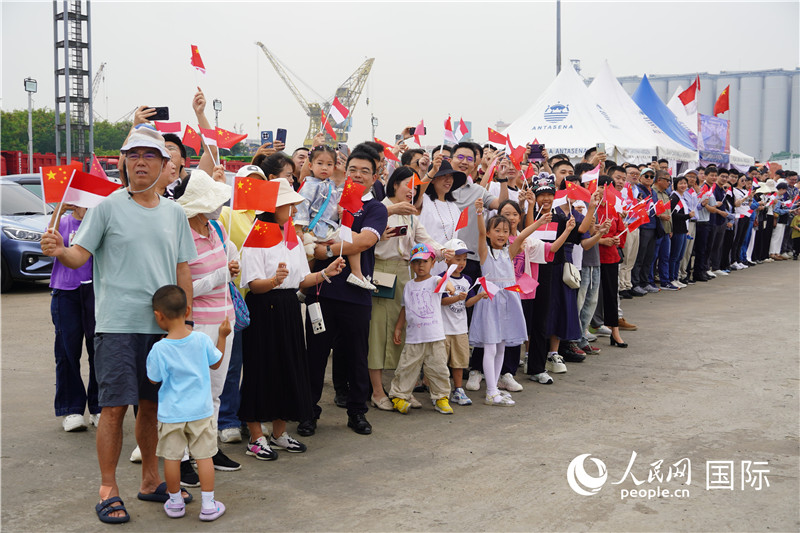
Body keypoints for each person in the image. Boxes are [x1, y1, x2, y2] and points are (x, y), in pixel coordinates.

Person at [40, 124, 197, 524]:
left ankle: (149, 481)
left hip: (161, 329)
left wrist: (185, 322)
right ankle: (108, 487)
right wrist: (59, 250)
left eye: (149, 156)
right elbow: (79, 257)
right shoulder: (108, 207)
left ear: (165, 165)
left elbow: (182, 271)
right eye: (133, 155)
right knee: (112, 408)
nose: (140, 162)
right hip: (115, 326)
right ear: (124, 163)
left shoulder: (175, 214)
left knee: (151, 407)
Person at [239, 178, 346, 458]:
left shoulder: (292, 237)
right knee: (260, 370)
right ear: (275, 206)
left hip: (288, 307)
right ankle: (255, 437)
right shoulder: (257, 235)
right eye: (290, 205)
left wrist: (326, 273)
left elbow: (300, 280)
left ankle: (278, 433)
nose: (295, 211)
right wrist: (274, 281)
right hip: (263, 308)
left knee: (288, 367)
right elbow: (253, 284)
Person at [301, 150, 389, 437]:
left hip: (356, 294)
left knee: (356, 356)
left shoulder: (375, 209)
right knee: (314, 354)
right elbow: (309, 241)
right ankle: (308, 412)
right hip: (321, 290)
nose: (358, 175)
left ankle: (357, 412)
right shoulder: (328, 200)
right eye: (353, 169)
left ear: (375, 177)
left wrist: (326, 249)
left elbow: (364, 241)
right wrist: (320, 247)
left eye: (365, 171)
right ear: (344, 170)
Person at [173, 169, 241, 472]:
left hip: (224, 322)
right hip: (197, 325)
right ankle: (185, 457)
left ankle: (208, 450)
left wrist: (232, 267)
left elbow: (229, 261)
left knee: (215, 390)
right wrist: (218, 276)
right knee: (192, 392)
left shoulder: (216, 228)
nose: (217, 206)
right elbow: (181, 289)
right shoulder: (181, 236)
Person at [146, 285, 229, 521]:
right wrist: (222, 336)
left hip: (171, 414)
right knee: (204, 457)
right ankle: (209, 505)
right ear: (188, 310)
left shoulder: (159, 348)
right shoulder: (202, 339)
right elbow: (216, 363)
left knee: (173, 458)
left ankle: (175, 504)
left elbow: (153, 379)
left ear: (158, 316)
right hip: (201, 412)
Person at [368, 166, 445, 411]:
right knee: (378, 334)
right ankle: (378, 392)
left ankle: (402, 389)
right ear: (394, 185)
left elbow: (426, 241)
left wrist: (446, 252)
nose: (411, 192)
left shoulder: (412, 214)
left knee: (406, 336)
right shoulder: (379, 207)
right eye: (407, 186)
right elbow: (364, 236)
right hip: (380, 273)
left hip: (406, 274)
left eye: (415, 188)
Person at [471, 197, 555, 406]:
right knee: (490, 347)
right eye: (497, 230)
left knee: (501, 347)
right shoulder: (485, 253)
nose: (501, 234)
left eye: (505, 231)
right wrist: (480, 213)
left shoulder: (508, 253)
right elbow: (481, 233)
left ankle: (495, 388)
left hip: (508, 301)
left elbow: (524, 234)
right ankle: (491, 392)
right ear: (490, 233)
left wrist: (539, 221)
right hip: (490, 301)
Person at [388, 243, 456, 414]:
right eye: (416, 262)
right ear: (411, 264)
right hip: (414, 338)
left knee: (438, 369)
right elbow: (405, 308)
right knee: (406, 368)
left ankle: (441, 398)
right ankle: (398, 396)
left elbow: (445, 284)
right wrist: (398, 328)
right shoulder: (409, 285)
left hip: (435, 337)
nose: (420, 266)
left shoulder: (435, 281)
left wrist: (448, 286)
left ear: (433, 262)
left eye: (425, 261)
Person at [49, 204, 99, 432]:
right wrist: (59, 209)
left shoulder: (99, 222)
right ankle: (71, 409)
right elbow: (47, 242)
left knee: (99, 350)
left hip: (96, 291)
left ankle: (99, 407)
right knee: (67, 351)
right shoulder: (65, 221)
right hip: (65, 291)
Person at [295, 145, 372, 290]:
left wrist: (340, 211)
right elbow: (301, 207)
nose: (324, 168)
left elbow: (333, 204)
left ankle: (304, 291)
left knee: (310, 261)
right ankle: (357, 274)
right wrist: (299, 230)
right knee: (352, 239)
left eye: (329, 164)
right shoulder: (309, 185)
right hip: (315, 229)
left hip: (327, 227)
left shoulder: (330, 184)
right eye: (320, 163)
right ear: (310, 165)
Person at [439, 239, 486, 405]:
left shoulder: (467, 280)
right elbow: (442, 301)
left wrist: (479, 296)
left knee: (459, 362)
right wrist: (455, 298)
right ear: (447, 259)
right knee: (441, 363)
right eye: (458, 259)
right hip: (443, 329)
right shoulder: (442, 278)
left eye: (464, 260)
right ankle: (441, 392)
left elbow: (467, 303)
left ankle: (458, 389)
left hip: (460, 329)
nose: (462, 263)